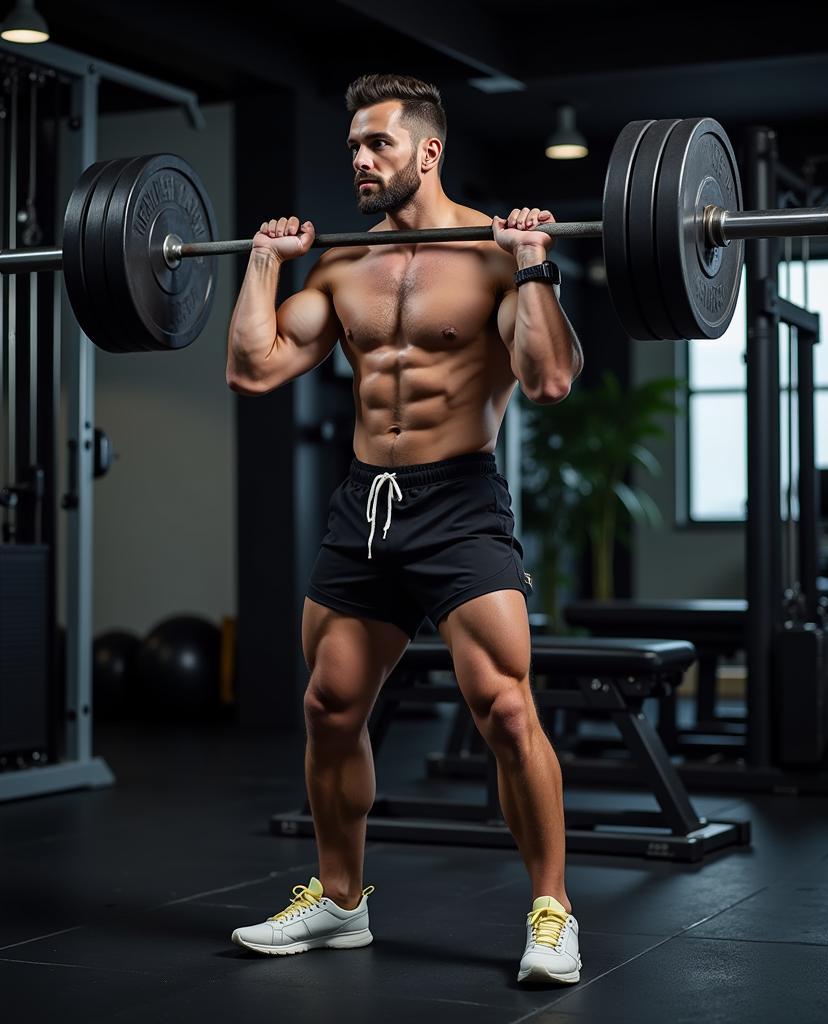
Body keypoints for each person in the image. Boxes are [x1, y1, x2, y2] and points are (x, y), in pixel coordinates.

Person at [226, 73, 583, 986]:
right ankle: (341, 903)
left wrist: (535, 260)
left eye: (376, 143)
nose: (358, 159)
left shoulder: (495, 257)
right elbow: (255, 370)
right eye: (352, 146)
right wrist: (264, 262)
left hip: (459, 501)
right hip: (364, 506)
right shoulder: (340, 263)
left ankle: (552, 913)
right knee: (329, 706)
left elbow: (546, 380)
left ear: (427, 150)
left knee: (504, 707)